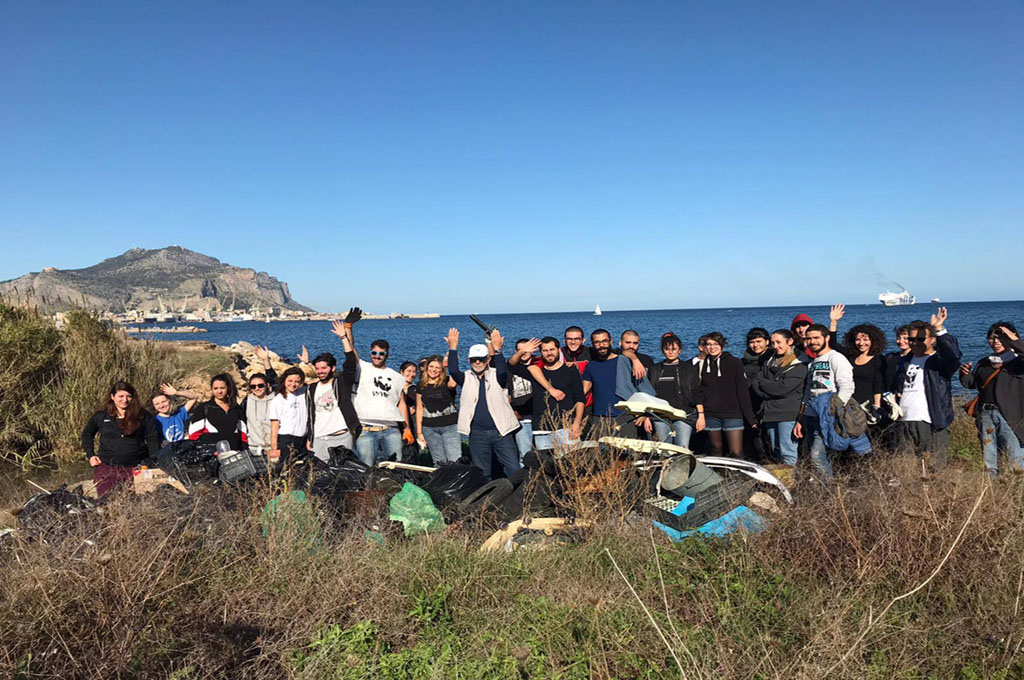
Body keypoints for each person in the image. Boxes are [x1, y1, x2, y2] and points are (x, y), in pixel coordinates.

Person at [793, 324, 869, 479]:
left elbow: (847, 387)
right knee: (817, 455)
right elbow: (809, 391)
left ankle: (834, 486)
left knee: (820, 455)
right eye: (809, 338)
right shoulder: (813, 363)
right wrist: (801, 418)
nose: (812, 341)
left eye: (816, 338)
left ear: (826, 338)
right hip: (814, 415)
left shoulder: (836, 358)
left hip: (832, 414)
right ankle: (829, 486)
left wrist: (833, 408)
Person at [893, 308, 962, 471]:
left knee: (933, 467)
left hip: (931, 420)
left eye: (920, 339)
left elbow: (954, 355)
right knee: (906, 468)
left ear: (932, 339)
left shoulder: (938, 362)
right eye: (912, 339)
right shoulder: (905, 362)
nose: (915, 342)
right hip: (905, 420)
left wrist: (939, 330)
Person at [447, 327, 521, 480]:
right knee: (482, 471)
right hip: (477, 433)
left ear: (488, 359)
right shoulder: (466, 377)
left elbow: (501, 370)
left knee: (513, 467)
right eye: (474, 359)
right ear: (469, 360)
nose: (478, 362)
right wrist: (453, 348)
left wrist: (497, 349)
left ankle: (521, 497)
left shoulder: (498, 376)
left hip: (501, 431)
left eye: (481, 359)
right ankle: (487, 499)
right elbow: (453, 371)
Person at [960, 322, 1024, 476]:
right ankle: (991, 489)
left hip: (1010, 415)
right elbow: (972, 384)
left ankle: (1014, 491)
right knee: (989, 457)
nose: (995, 342)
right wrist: (964, 374)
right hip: (986, 413)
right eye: (992, 338)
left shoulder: (1018, 362)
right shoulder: (985, 362)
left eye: (1001, 338)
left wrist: (1014, 339)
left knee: (1014, 455)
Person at [349, 323, 412, 466]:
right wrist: (348, 328)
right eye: (374, 353)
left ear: (387, 355)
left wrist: (407, 428)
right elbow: (351, 348)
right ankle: (368, 489)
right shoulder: (362, 368)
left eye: (381, 353)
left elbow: (401, 403)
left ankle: (395, 488)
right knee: (366, 468)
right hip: (366, 429)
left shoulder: (396, 377)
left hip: (391, 430)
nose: (377, 356)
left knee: (396, 466)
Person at [82, 381, 160, 496]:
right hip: (108, 467)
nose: (125, 400)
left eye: (129, 396)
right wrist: (91, 455)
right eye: (121, 396)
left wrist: (151, 461)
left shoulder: (143, 416)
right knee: (106, 499)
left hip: (136, 467)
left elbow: (153, 438)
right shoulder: (101, 416)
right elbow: (87, 434)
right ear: (112, 397)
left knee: (136, 500)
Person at [302, 318, 361, 463]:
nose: (320, 371)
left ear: (333, 369)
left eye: (324, 368)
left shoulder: (340, 383)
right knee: (321, 477)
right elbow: (311, 414)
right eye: (317, 369)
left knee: (345, 474)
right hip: (319, 438)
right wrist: (310, 437)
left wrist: (343, 337)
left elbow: (350, 363)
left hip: (341, 437)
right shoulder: (311, 388)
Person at [509, 337, 585, 449]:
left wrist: (577, 424)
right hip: (542, 431)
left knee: (571, 464)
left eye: (552, 349)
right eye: (545, 350)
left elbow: (580, 399)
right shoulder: (536, 373)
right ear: (540, 353)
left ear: (559, 350)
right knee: (546, 465)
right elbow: (511, 366)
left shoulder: (571, 371)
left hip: (566, 428)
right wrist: (522, 351)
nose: (549, 353)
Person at [751, 330, 807, 466]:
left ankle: (791, 483)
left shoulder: (799, 362)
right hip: (770, 412)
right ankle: (783, 480)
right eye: (773, 343)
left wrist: (765, 385)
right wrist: (767, 390)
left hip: (788, 413)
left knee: (788, 451)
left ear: (790, 341)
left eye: (779, 342)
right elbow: (756, 382)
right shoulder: (771, 360)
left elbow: (783, 388)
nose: (775, 346)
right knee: (776, 450)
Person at [697, 332, 756, 457]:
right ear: (704, 347)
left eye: (715, 344)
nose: (712, 347)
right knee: (715, 449)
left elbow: (742, 391)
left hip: (733, 414)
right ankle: (718, 476)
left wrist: (750, 417)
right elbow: (699, 391)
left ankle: (738, 476)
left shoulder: (734, 363)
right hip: (711, 415)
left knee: (736, 451)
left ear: (722, 345)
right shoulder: (701, 365)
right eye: (709, 344)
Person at [648, 333, 705, 447]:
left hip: (684, 415)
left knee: (682, 448)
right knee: (663, 450)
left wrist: (701, 415)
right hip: (660, 416)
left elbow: (697, 392)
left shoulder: (688, 368)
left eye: (674, 349)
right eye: (667, 349)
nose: (671, 352)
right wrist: (646, 417)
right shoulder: (655, 369)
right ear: (662, 350)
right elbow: (649, 394)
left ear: (679, 350)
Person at [828, 304, 886, 416]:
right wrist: (833, 322)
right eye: (858, 339)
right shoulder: (851, 356)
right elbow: (832, 344)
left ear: (873, 340)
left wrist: (877, 407)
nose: (861, 343)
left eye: (865, 339)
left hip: (869, 407)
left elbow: (878, 385)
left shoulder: (878, 359)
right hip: (851, 405)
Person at [416, 355, 461, 465]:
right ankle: (441, 481)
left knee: (455, 460)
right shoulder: (421, 385)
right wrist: (419, 432)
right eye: (431, 366)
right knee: (438, 462)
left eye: (437, 367)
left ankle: (456, 481)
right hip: (429, 428)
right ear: (427, 368)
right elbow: (419, 408)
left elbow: (454, 383)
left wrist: (451, 361)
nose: (433, 370)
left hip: (450, 426)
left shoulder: (447, 381)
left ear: (442, 369)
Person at [188, 374, 247, 449]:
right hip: (211, 455)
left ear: (228, 388)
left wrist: (244, 449)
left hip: (235, 453)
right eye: (215, 388)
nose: (219, 391)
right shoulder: (204, 408)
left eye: (222, 388)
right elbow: (194, 435)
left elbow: (243, 433)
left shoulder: (236, 408)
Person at [582, 329, 624, 436]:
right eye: (597, 342)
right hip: (599, 417)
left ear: (611, 342)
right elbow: (583, 391)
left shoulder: (623, 361)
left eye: (605, 341)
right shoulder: (591, 366)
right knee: (601, 451)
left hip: (624, 416)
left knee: (627, 451)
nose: (601, 345)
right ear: (592, 345)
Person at [239, 346, 279, 455]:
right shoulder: (247, 401)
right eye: (253, 386)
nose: (257, 388)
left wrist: (266, 360)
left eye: (260, 385)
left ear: (267, 385)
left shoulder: (276, 399)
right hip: (253, 448)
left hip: (273, 447)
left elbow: (275, 380)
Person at [269, 367, 309, 469]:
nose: (293, 384)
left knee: (302, 469)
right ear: (284, 380)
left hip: (303, 439)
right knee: (284, 469)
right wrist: (274, 448)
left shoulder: (304, 393)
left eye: (297, 381)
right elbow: (274, 426)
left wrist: (305, 364)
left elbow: (318, 381)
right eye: (290, 381)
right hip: (286, 440)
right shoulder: (278, 399)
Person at [508, 338, 537, 458]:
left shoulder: (538, 366)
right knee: (524, 454)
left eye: (527, 350)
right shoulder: (510, 369)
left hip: (537, 416)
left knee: (542, 452)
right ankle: (525, 476)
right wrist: (513, 411)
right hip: (521, 417)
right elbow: (506, 394)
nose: (524, 353)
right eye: (520, 350)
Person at [400, 360, 419, 442]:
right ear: (401, 372)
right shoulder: (395, 386)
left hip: (412, 422)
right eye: (409, 371)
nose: (412, 374)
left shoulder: (416, 389)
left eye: (414, 372)